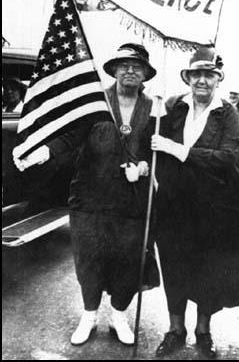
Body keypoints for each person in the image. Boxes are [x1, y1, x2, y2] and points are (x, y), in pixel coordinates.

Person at [145, 47, 239, 358]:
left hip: (211, 207)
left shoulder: (229, 114)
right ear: (187, 78)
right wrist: (154, 119)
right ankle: (175, 329)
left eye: (208, 76)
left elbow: (227, 159)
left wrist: (179, 150)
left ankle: (202, 331)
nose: (201, 81)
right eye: (196, 75)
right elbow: (154, 145)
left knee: (206, 268)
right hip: (172, 204)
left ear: (217, 80)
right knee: (173, 265)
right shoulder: (175, 108)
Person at [13, 43, 160, 346]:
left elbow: (154, 152)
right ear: (114, 70)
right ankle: (89, 315)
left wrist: (143, 168)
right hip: (89, 198)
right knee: (88, 258)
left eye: (137, 66)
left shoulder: (154, 108)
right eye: (124, 65)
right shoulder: (93, 103)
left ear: (145, 73)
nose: (130, 70)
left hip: (132, 201)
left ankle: (119, 315)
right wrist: (41, 153)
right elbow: (69, 138)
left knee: (128, 261)